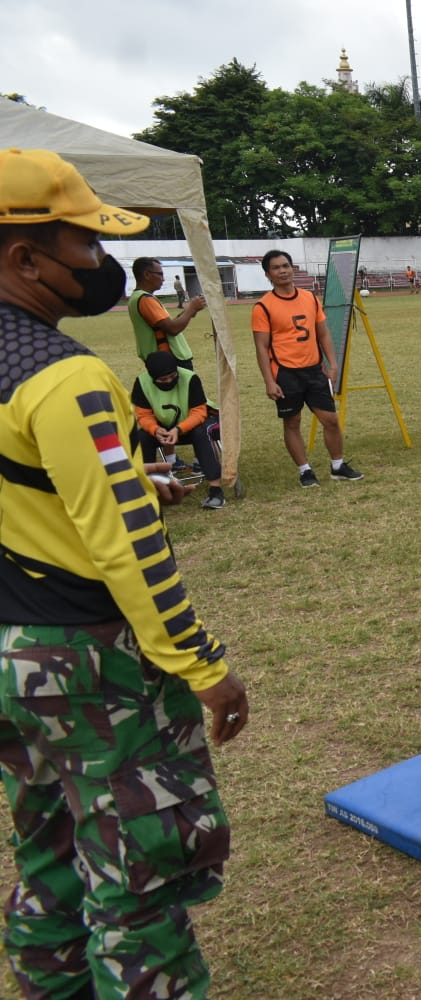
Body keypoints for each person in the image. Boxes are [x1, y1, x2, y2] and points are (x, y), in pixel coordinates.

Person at [0, 147, 249, 997]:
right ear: (22, 259)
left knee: (49, 850)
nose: (100, 265)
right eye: (85, 246)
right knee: (138, 885)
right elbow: (128, 549)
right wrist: (203, 665)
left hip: (10, 657)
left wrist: (129, 477)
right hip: (88, 664)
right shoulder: (67, 377)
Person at [251, 250, 364, 488]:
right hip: (285, 373)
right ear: (268, 274)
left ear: (292, 268)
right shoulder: (263, 306)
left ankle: (338, 466)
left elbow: (323, 333)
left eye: (285, 265)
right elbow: (261, 348)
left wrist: (332, 364)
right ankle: (305, 471)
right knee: (292, 422)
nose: (282, 271)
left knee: (330, 420)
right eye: (276, 268)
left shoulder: (310, 298)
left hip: (314, 370)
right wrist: (269, 381)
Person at [132, 351, 227, 510]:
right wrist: (155, 430)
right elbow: (143, 415)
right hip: (166, 427)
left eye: (172, 376)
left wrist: (179, 429)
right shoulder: (142, 383)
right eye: (163, 380)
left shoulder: (190, 378)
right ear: (152, 377)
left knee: (200, 433)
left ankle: (216, 491)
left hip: (198, 423)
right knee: (143, 437)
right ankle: (149, 491)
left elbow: (199, 412)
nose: (169, 381)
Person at [129, 256, 204, 370]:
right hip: (168, 360)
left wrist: (187, 312)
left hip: (162, 359)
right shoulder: (145, 299)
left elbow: (165, 326)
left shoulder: (139, 297)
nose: (163, 279)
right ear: (147, 275)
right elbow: (172, 329)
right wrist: (191, 309)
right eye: (160, 274)